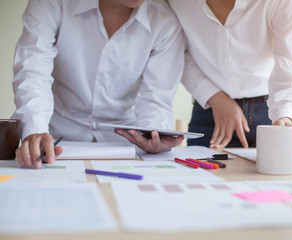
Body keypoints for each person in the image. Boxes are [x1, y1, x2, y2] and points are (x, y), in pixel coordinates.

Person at [12, 0, 185, 169]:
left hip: (124, 150)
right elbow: (33, 69)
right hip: (55, 144)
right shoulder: (52, 3)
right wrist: (35, 129)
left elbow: (156, 99)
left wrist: (153, 136)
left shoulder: (165, 21)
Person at [168, 0, 292, 160]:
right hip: (211, 113)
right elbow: (178, 51)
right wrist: (214, 96)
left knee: (284, 182)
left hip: (272, 114)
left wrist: (288, 117)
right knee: (201, 181)